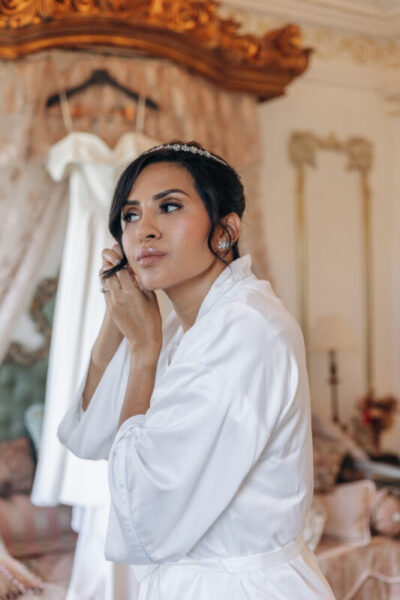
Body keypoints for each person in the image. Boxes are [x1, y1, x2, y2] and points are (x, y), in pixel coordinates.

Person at [58, 141, 335, 599]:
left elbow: (145, 509)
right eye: (130, 216)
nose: (144, 231)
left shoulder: (246, 330)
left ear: (225, 229)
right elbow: (90, 435)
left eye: (168, 207)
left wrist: (144, 351)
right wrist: (117, 318)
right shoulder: (186, 327)